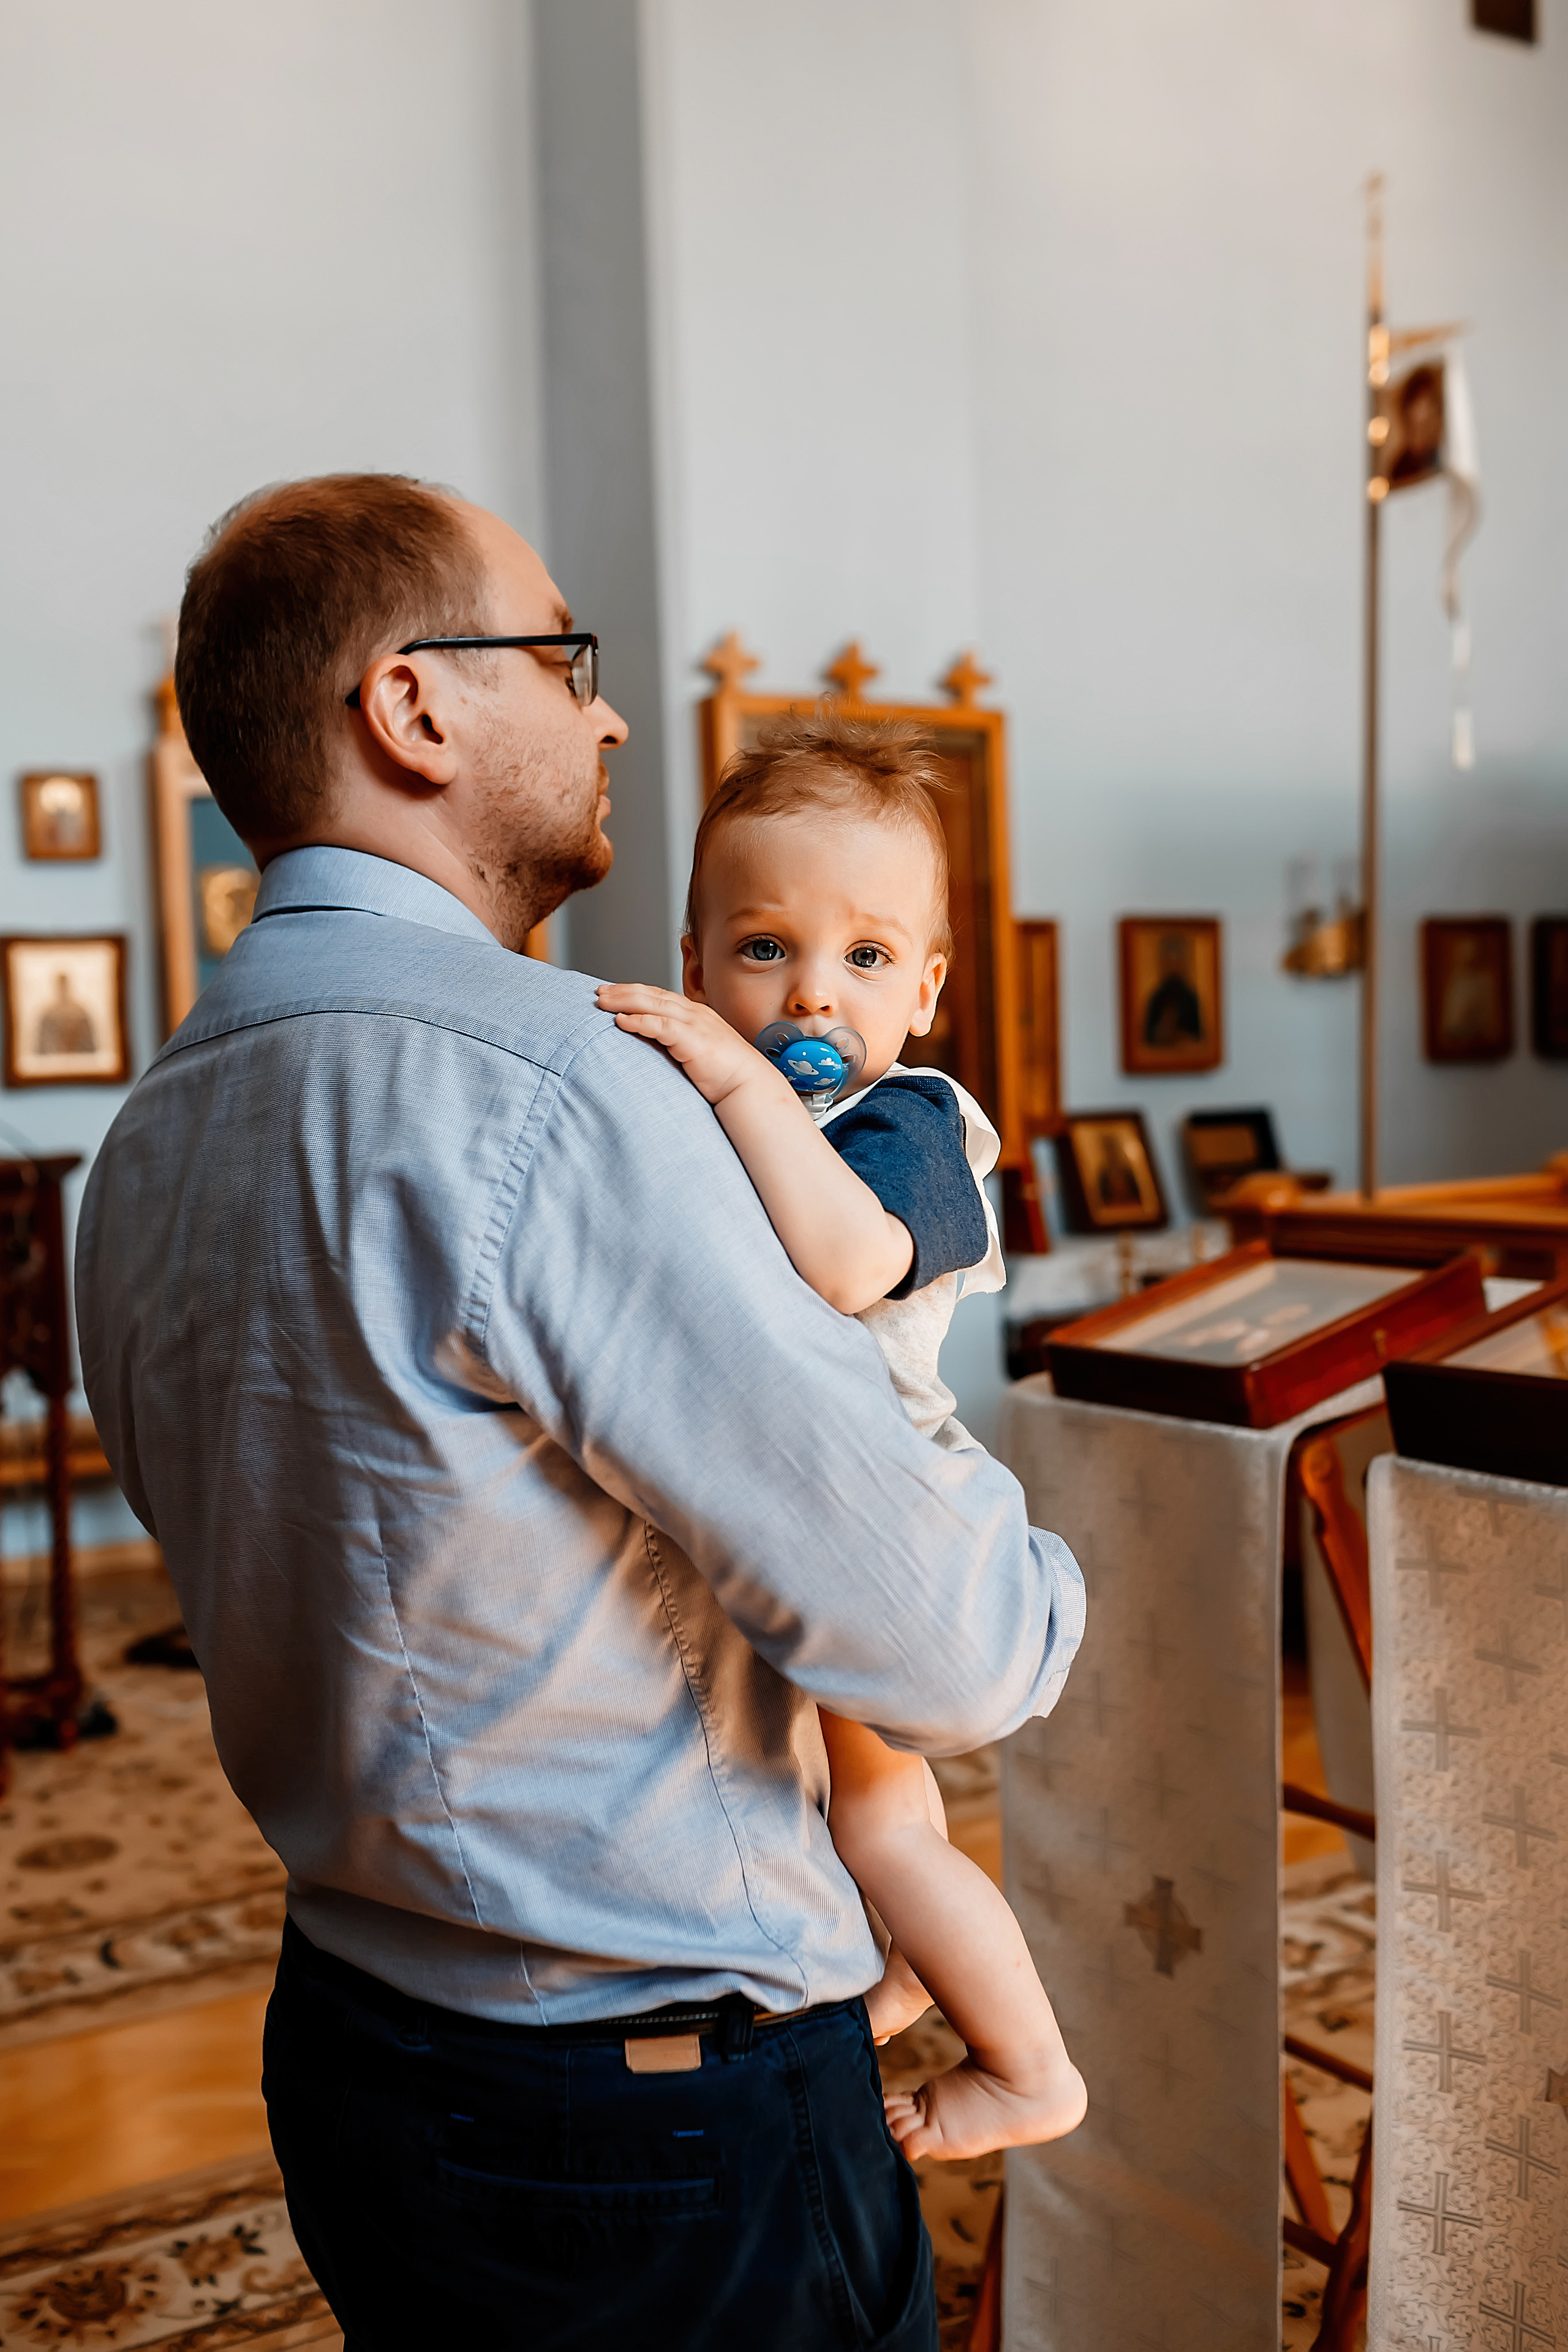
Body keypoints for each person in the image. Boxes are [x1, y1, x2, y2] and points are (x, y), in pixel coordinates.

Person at [74, 475, 1085, 2351]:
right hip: (646, 2111)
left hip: (358, 2041)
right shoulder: (575, 1092)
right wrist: (1049, 1594)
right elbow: (950, 1655)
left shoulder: (146, 1132)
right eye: (563, 657)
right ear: (416, 707)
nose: (611, 711)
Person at [598, 711, 1085, 2166]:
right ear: (695, 963)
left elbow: (843, 1266)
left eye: (866, 958)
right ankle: (911, 1967)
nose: (814, 993)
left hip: (881, 1490)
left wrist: (735, 1078)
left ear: (927, 988)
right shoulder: (733, 1105)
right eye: (763, 951)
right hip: (792, 1486)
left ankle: (1027, 2069)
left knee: (879, 1825)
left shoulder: (907, 1117)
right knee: (846, 1801)